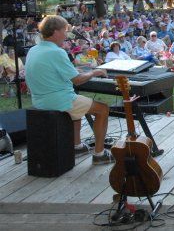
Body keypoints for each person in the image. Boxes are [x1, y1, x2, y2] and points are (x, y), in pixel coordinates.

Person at [25, 15, 113, 165]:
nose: (66, 35)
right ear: (55, 32)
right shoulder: (56, 52)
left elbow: (56, 71)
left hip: (39, 99)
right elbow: (77, 80)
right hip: (57, 100)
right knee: (103, 109)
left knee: (77, 103)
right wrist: (94, 72)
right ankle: (99, 154)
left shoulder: (34, 50)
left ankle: (77, 146)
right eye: (64, 31)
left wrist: (79, 69)